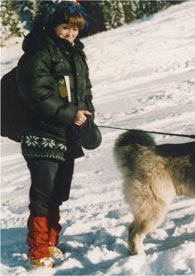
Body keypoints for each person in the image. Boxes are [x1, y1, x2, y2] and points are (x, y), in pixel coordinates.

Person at [16, 0, 96, 268]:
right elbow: (36, 93)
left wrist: (87, 117)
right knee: (43, 193)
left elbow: (85, 92)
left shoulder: (75, 53)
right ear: (54, 26)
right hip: (42, 133)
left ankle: (50, 242)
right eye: (65, 27)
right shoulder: (40, 51)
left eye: (75, 29)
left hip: (67, 132)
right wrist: (69, 114)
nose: (70, 33)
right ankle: (37, 253)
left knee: (58, 192)